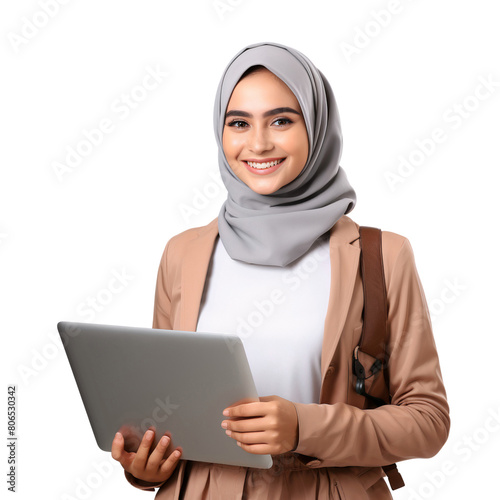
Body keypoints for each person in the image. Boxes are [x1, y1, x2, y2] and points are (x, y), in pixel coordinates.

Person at [111, 41, 450, 499]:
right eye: (238, 123)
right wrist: (147, 467)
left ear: (317, 126)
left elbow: (428, 421)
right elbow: (165, 409)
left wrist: (303, 427)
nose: (258, 143)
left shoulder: (381, 254)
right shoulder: (183, 254)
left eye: (281, 120)